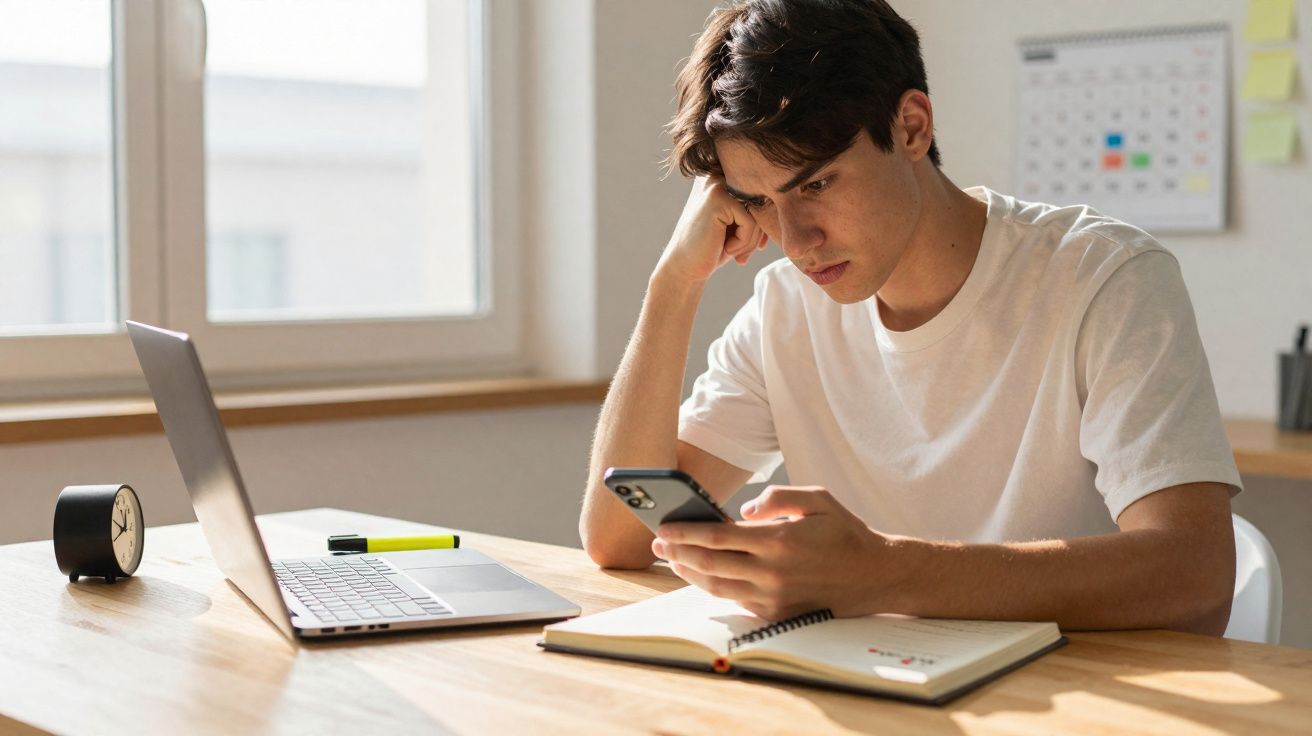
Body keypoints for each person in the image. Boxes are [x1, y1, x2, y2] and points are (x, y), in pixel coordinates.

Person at [579, 0, 1241, 635]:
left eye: (816, 185)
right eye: (760, 201)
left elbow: (1194, 577)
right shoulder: (786, 307)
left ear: (912, 127)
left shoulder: (1103, 277)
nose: (797, 240)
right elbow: (619, 534)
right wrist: (673, 284)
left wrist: (883, 573)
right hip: (876, 688)